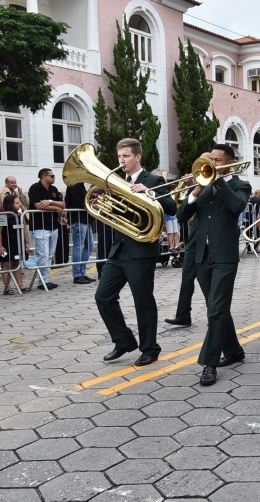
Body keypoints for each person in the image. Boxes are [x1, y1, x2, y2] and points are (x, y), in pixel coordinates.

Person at [95, 138, 177, 367]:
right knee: (103, 296)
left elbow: (172, 208)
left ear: (137, 157)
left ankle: (150, 348)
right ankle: (123, 341)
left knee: (143, 301)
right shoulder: (116, 180)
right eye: (119, 156)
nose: (121, 161)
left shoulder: (152, 179)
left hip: (141, 250)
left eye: (126, 156)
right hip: (118, 249)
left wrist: (151, 193)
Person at [178, 144, 251, 386]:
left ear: (229, 161)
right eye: (212, 160)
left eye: (218, 161)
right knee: (215, 308)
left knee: (217, 310)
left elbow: (237, 206)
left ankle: (209, 364)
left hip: (225, 256)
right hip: (202, 255)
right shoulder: (203, 185)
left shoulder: (240, 185)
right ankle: (234, 351)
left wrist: (219, 180)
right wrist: (194, 193)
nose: (213, 164)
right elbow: (181, 216)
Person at [165, 152, 212, 328]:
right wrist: (192, 189)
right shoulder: (199, 183)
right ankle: (183, 315)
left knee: (205, 280)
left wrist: (198, 186)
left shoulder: (216, 181)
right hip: (195, 238)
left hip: (211, 240)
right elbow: (182, 213)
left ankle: (213, 315)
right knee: (187, 277)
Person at [28, 168, 65, 290]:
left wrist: (49, 201)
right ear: (44, 177)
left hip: (53, 226)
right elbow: (38, 206)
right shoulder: (35, 188)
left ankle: (46, 279)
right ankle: (42, 281)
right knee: (43, 255)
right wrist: (55, 208)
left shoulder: (53, 189)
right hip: (40, 226)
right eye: (52, 176)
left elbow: (62, 204)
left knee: (49, 255)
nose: (54, 178)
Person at [0, 194, 30, 294]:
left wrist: (27, 242)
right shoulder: (2, 215)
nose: (19, 205)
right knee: (6, 264)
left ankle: (20, 285)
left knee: (16, 263)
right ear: (9, 204)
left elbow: (24, 229)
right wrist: (0, 245)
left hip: (18, 242)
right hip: (7, 242)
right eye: (16, 203)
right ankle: (7, 287)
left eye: (19, 202)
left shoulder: (20, 215)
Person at [64, 182, 96, 285]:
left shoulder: (80, 185)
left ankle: (82, 272)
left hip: (85, 219)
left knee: (90, 245)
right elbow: (78, 203)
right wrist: (91, 205)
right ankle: (77, 275)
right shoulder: (74, 185)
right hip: (78, 220)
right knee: (78, 247)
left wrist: (90, 203)